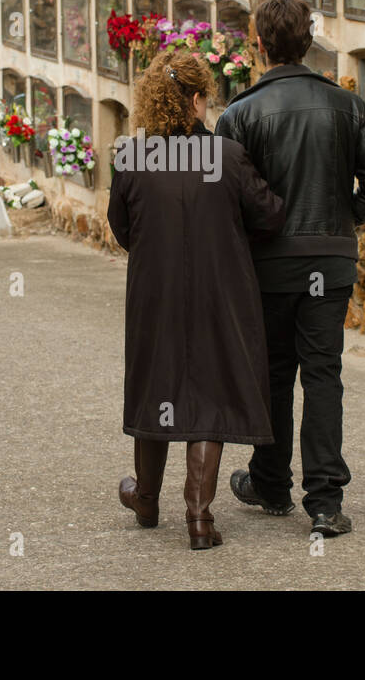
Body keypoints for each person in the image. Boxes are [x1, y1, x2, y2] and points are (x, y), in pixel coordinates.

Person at [216, 0, 365, 538]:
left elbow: (225, 200)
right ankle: (324, 503)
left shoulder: (240, 113)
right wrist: (343, 218)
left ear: (260, 44)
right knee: (323, 375)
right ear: (309, 40)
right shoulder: (349, 105)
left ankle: (270, 484)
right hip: (331, 262)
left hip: (269, 267)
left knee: (273, 373)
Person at [108, 50, 286, 550]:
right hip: (218, 293)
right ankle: (200, 519)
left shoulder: (133, 157)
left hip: (154, 295)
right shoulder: (226, 156)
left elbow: (122, 229)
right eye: (205, 96)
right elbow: (269, 215)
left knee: (155, 386)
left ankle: (145, 498)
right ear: (194, 99)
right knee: (208, 393)